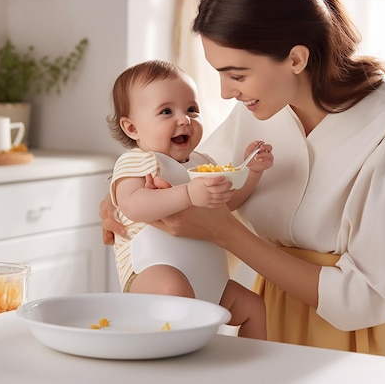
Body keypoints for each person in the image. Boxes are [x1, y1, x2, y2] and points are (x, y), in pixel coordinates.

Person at [101, 0, 385, 361]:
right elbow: (183, 172)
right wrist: (116, 199)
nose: (225, 93)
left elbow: (366, 298)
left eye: (236, 74)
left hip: (359, 347)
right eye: (220, 73)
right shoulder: (263, 104)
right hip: (270, 330)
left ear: (296, 59)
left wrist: (227, 234)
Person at [107, 59, 272, 339]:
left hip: (210, 278)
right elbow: (132, 204)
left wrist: (252, 173)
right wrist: (187, 193)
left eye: (192, 109)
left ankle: (251, 371)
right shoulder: (138, 161)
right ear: (132, 128)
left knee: (253, 306)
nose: (184, 119)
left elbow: (226, 203)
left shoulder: (203, 161)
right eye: (166, 111)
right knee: (175, 292)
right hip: (155, 271)